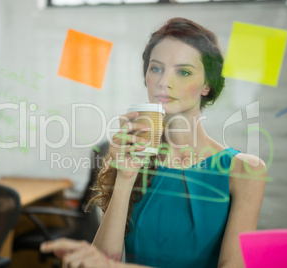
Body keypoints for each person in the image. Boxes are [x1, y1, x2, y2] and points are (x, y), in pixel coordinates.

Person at [40, 17, 267, 268]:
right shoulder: (132, 158)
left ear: (207, 85)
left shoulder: (245, 171)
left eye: (183, 72)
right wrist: (125, 178)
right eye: (156, 68)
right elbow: (101, 262)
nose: (163, 81)